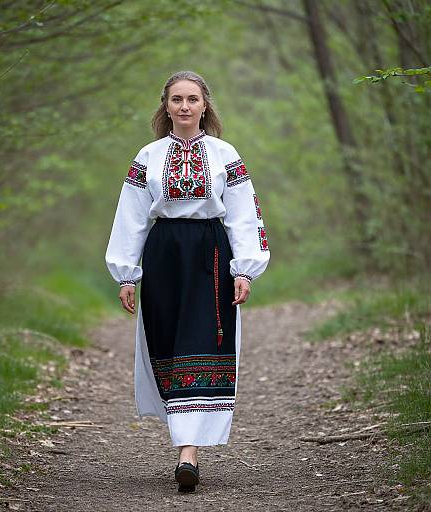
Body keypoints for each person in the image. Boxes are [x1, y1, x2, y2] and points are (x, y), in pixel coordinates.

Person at [105, 70, 270, 492]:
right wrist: (126, 273)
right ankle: (185, 440)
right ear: (165, 106)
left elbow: (243, 214)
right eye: (176, 99)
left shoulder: (224, 154)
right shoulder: (148, 156)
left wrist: (245, 269)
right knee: (168, 342)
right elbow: (130, 216)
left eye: (192, 99)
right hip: (163, 254)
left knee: (204, 340)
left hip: (211, 254)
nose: (184, 106)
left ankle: (188, 452)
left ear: (204, 105)